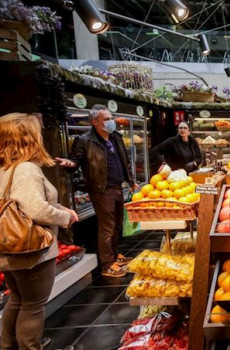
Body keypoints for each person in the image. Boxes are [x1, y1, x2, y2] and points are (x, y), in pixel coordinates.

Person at [0, 113, 78, 350]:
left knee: (17, 300)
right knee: (33, 306)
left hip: (8, 247)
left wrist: (57, 206)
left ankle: (8, 345)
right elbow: (35, 210)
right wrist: (65, 217)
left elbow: (16, 203)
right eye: (37, 132)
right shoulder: (26, 169)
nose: (41, 136)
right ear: (26, 137)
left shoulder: (5, 167)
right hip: (31, 250)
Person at [55, 105, 138, 278]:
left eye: (110, 118)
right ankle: (107, 264)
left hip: (117, 187)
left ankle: (115, 256)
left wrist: (131, 180)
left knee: (117, 224)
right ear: (94, 122)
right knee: (107, 228)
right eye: (106, 119)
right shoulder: (85, 141)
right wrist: (71, 164)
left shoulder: (115, 137)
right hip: (101, 189)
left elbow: (124, 160)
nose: (110, 122)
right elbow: (75, 160)